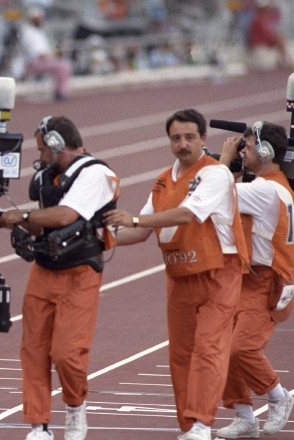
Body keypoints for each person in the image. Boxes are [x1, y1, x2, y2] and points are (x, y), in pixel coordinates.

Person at [103, 109, 248, 440]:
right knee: (181, 354)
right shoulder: (163, 180)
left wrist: (135, 221)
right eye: (176, 138)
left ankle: (201, 423)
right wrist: (93, 241)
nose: (183, 144)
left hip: (218, 273)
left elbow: (187, 215)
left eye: (189, 137)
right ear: (169, 140)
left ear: (203, 139)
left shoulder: (215, 174)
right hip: (180, 274)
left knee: (208, 349)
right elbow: (136, 233)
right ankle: (189, 426)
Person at [0, 116, 119, 440]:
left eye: (42, 148)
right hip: (44, 270)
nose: (40, 156)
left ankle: (76, 408)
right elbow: (43, 225)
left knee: (67, 353)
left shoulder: (97, 174)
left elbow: (66, 216)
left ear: (55, 144)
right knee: (33, 351)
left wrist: (20, 215)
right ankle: (39, 424)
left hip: (80, 273)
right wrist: (13, 222)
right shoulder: (47, 177)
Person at [214, 121, 294, 438]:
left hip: (265, 281)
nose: (242, 151)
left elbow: (214, 194)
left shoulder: (262, 189)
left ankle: (279, 396)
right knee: (221, 346)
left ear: (265, 151)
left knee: (240, 349)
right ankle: (244, 416)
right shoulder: (275, 185)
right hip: (249, 277)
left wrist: (222, 159)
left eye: (247, 146)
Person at [18, 7, 73, 100]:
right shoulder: (29, 33)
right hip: (33, 64)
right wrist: (56, 54)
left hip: (37, 62)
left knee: (62, 64)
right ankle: (61, 92)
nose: (41, 20)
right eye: (38, 18)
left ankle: (60, 91)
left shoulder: (36, 32)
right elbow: (41, 56)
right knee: (64, 65)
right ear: (32, 19)